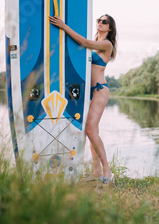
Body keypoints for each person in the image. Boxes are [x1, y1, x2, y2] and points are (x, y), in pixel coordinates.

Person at [49, 14, 117, 186]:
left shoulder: (107, 44)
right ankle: (96, 171)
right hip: (91, 93)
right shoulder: (97, 45)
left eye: (104, 22)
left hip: (100, 91)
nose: (100, 23)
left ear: (110, 28)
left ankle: (107, 169)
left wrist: (64, 26)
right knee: (92, 131)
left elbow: (85, 43)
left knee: (90, 130)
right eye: (99, 20)